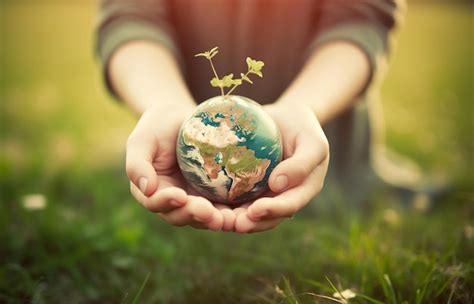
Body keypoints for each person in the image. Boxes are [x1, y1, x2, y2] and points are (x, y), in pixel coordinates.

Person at [96, 0, 402, 233]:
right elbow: (130, 16)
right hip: (176, 167)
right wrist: (164, 103)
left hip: (330, 152)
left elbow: (361, 18)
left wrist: (303, 107)